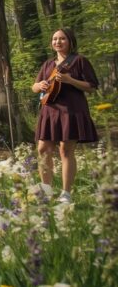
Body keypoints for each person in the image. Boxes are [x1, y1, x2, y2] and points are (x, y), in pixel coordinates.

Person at [31, 28, 99, 203]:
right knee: (43, 149)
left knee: (65, 150)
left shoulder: (79, 61)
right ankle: (46, 192)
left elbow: (92, 87)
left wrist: (71, 80)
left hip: (72, 111)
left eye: (62, 39)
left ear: (70, 41)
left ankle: (66, 194)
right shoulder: (48, 64)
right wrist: (40, 86)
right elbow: (34, 87)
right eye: (55, 39)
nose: (58, 42)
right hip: (49, 111)